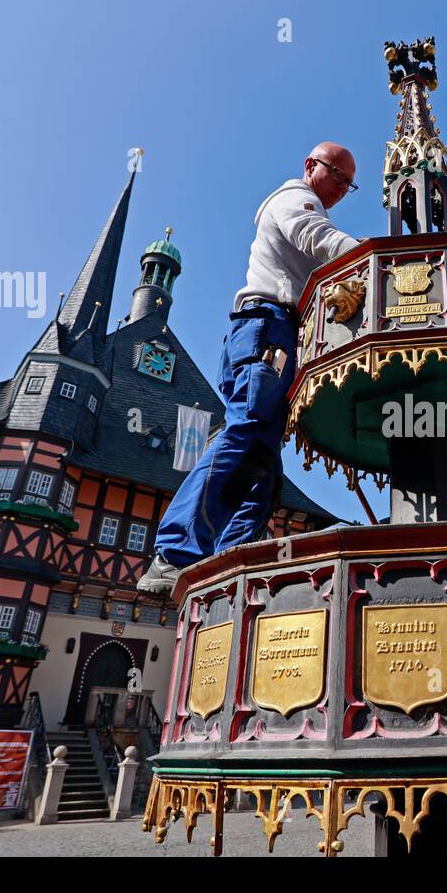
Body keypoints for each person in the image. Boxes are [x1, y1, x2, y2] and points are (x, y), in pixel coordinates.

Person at [138, 142, 363, 594]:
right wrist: (374, 257)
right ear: (310, 166)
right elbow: (314, 236)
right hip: (267, 329)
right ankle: (174, 552)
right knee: (247, 432)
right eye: (335, 174)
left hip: (274, 334)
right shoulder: (295, 200)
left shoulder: (310, 203)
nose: (340, 188)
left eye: (347, 183)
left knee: (262, 463)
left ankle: (227, 563)